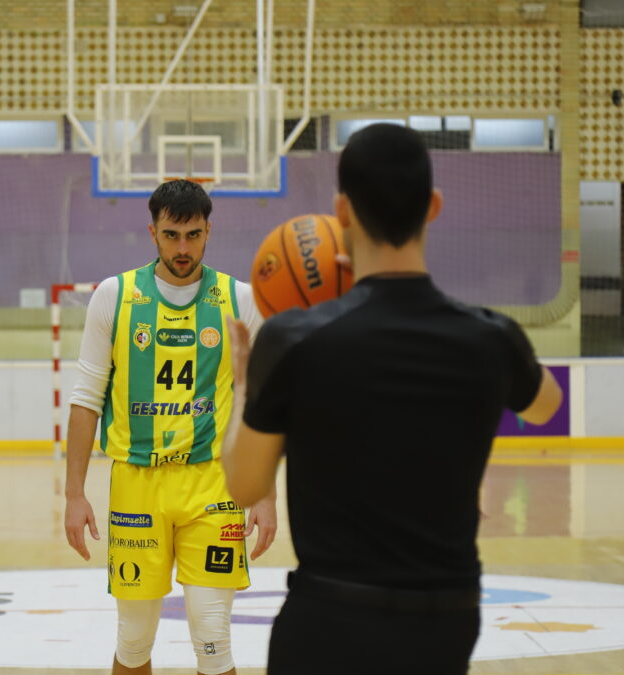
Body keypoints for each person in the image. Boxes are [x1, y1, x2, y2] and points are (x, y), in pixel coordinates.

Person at [221, 124, 563, 674]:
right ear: (433, 206)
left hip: (328, 618)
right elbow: (546, 405)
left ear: (343, 211)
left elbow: (244, 485)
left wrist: (243, 385)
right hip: (445, 620)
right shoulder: (489, 338)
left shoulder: (294, 340)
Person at [64, 179, 278, 675]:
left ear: (208, 232)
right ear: (152, 232)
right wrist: (74, 494)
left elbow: (260, 401)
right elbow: (85, 398)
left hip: (214, 484)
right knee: (135, 639)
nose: (183, 248)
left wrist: (264, 492)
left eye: (194, 235)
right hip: (138, 484)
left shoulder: (239, 300)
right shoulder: (113, 297)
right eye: (171, 235)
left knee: (212, 637)